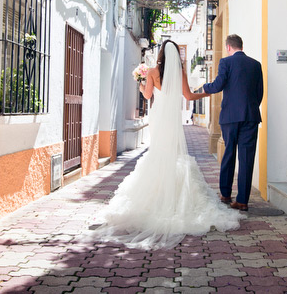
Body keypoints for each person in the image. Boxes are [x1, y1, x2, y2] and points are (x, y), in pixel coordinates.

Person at [88, 40, 243, 250]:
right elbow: (189, 96)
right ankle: (177, 195)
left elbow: (148, 95)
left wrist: (141, 83)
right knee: (174, 153)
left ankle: (159, 193)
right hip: (171, 118)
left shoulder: (152, 72)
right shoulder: (181, 73)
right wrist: (206, 93)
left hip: (158, 116)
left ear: (160, 54)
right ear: (176, 56)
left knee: (158, 151)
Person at [201, 34, 263, 211]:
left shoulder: (225, 62)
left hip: (230, 117)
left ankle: (226, 194)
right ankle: (242, 201)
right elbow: (259, 93)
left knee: (229, 154)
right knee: (246, 158)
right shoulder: (255, 64)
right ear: (241, 46)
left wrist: (205, 87)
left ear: (228, 47)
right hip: (250, 116)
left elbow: (218, 85)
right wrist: (249, 108)